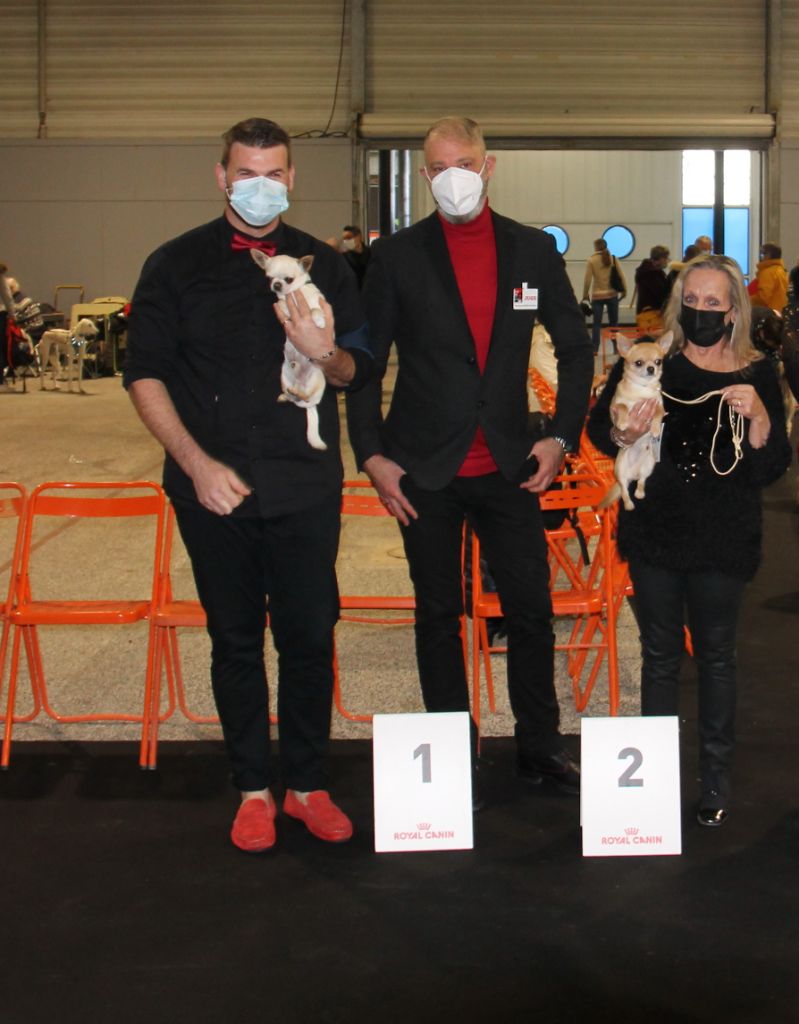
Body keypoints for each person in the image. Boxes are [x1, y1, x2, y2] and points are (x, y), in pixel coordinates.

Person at [124, 117, 373, 854]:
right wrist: (195, 464)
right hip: (214, 488)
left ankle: (306, 785)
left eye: (273, 175)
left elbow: (359, 369)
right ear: (222, 177)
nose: (259, 187)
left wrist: (325, 355)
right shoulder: (173, 265)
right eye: (245, 174)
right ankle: (253, 789)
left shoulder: (327, 267)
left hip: (303, 485)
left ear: (291, 179)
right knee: (234, 639)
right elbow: (143, 373)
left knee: (308, 635)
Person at [346, 116, 594, 798]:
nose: (452, 177)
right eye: (439, 167)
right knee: (437, 615)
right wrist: (370, 454)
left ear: (488, 167)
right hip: (423, 468)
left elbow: (575, 349)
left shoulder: (531, 250)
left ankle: (539, 746)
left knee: (530, 611)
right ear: (426, 175)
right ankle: (449, 749)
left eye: (465, 163)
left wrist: (560, 437)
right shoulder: (397, 257)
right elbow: (365, 361)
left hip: (512, 466)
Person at [587, 253, 791, 828]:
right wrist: (621, 432)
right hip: (655, 532)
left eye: (712, 302)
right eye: (692, 301)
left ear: (733, 311)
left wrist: (761, 420)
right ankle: (653, 779)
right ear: (680, 306)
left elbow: (772, 465)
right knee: (659, 656)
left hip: (725, 538)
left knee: (717, 658)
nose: (701, 310)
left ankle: (716, 779)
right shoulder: (652, 362)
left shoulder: (757, 373)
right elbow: (600, 430)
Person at [582, 238, 626, 354]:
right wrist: (624, 290)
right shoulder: (613, 258)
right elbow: (621, 275)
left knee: (596, 323)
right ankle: (616, 348)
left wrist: (585, 295)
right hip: (612, 295)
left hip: (597, 296)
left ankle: (595, 349)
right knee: (614, 323)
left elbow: (587, 280)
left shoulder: (591, 260)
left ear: (595, 247)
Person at [634, 245, 671, 332]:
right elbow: (661, 293)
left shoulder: (648, 271)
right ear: (660, 259)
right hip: (652, 315)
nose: (667, 260)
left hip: (646, 313)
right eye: (666, 258)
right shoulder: (651, 274)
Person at [749, 242, 789, 312]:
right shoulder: (781, 270)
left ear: (768, 255)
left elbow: (763, 298)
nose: (761, 257)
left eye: (762, 254)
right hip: (779, 311)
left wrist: (746, 300)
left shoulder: (767, 273)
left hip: (768, 312)